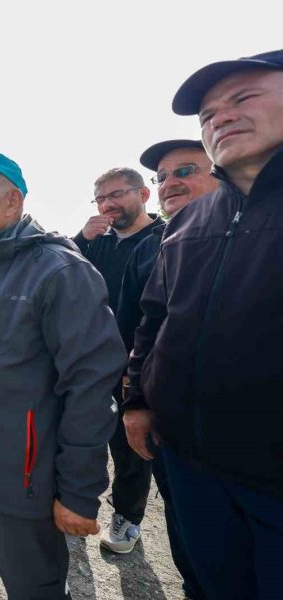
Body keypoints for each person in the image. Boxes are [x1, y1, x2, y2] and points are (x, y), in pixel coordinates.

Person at [0, 153, 126, 600]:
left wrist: (78, 490)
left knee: (34, 584)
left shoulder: (59, 270)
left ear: (12, 202)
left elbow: (90, 386)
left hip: (21, 473)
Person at [128, 49, 283, 600]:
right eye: (208, 114)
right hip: (190, 463)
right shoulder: (190, 222)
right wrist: (138, 403)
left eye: (243, 99)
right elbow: (154, 322)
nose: (221, 117)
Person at [111, 139, 217, 600]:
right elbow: (137, 328)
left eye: (186, 170)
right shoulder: (149, 249)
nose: (171, 182)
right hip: (170, 424)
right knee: (188, 532)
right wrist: (134, 400)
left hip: (249, 435)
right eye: (163, 176)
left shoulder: (265, 228)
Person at [71, 167, 163, 554]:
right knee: (80, 437)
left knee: (129, 447)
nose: (108, 204)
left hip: (136, 364)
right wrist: (81, 238)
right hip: (89, 361)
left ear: (143, 195)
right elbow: (59, 278)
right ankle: (74, 506)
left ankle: (128, 517)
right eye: (101, 197)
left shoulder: (164, 239)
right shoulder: (96, 242)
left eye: (117, 194)